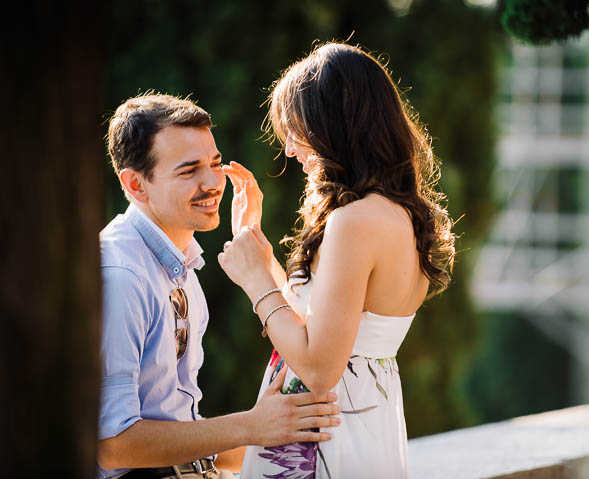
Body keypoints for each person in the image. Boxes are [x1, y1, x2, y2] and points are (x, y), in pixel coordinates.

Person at [218, 43, 455, 479]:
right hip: (366, 424)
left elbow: (320, 367)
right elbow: (319, 324)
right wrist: (258, 250)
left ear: (334, 126)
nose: (289, 149)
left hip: (328, 437)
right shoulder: (399, 215)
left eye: (295, 130)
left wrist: (256, 283)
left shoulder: (354, 221)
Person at [98, 93, 341, 479]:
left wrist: (281, 433)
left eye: (214, 164)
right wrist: (250, 425)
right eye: (189, 170)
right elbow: (113, 446)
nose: (212, 183)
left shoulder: (182, 266)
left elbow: (181, 427)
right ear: (135, 185)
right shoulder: (120, 276)